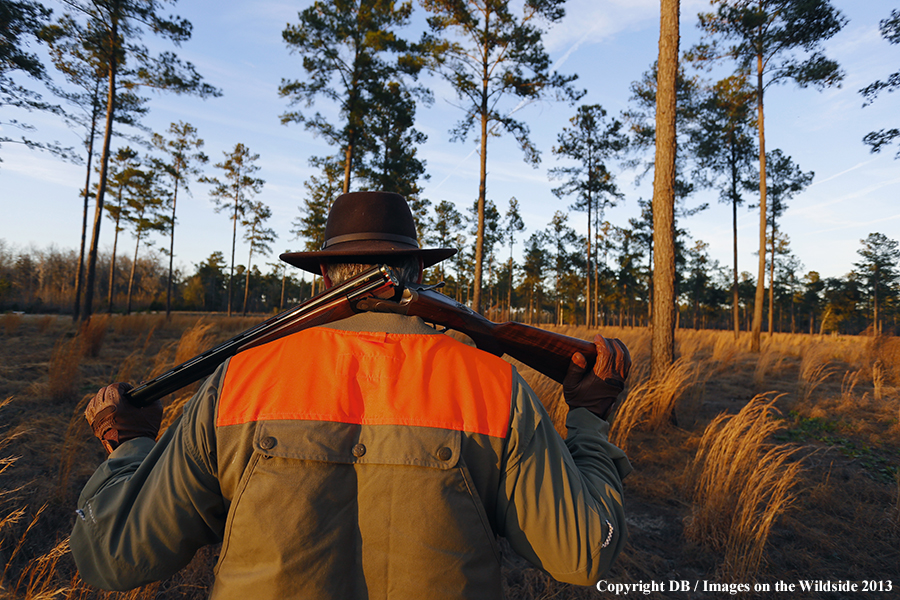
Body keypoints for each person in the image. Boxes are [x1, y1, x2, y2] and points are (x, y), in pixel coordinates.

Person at [72, 191, 633, 599]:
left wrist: (129, 444)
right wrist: (588, 419)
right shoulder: (493, 385)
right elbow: (582, 552)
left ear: (323, 280)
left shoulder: (239, 381)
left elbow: (113, 555)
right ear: (417, 271)